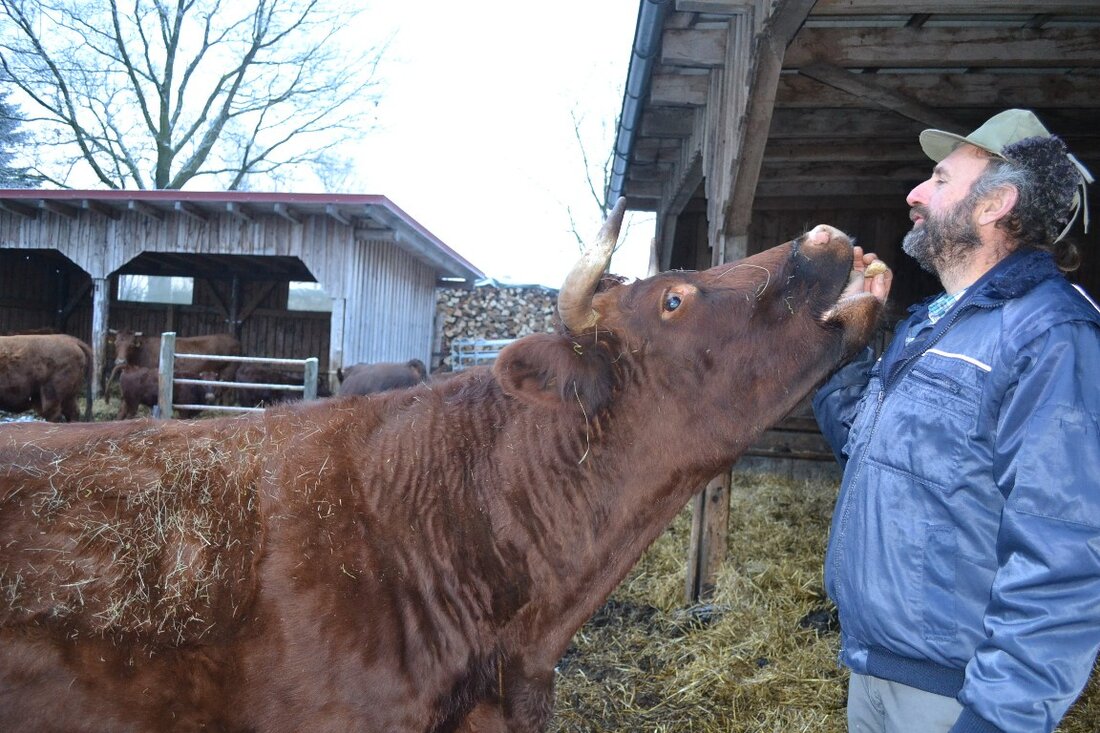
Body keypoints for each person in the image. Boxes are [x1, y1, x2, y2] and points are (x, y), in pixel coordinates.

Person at [813, 108, 1100, 733]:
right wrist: (847, 337)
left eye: (940, 179)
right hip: (872, 671)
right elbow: (865, 453)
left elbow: (1065, 551)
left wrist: (999, 717)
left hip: (957, 698)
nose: (915, 193)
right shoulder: (931, 324)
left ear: (996, 203)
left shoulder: (1050, 334)